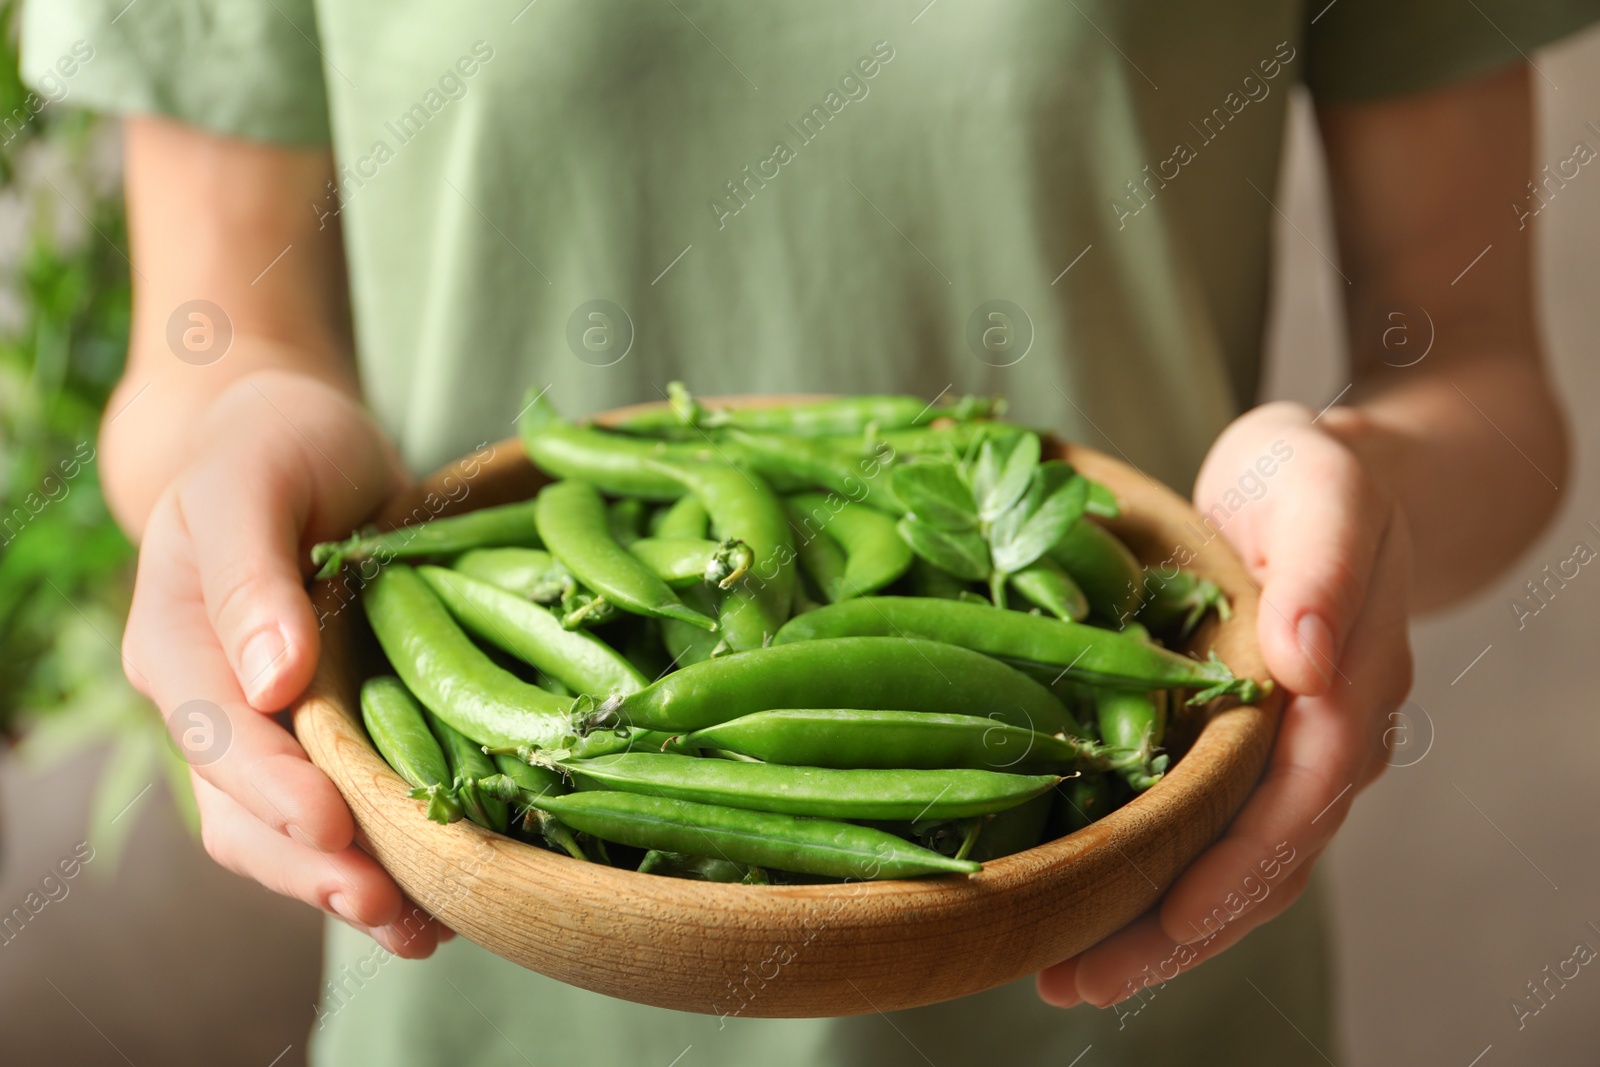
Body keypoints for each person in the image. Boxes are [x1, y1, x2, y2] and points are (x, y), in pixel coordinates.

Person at [23, 1, 1594, 1062]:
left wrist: (1346, 497)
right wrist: (237, 459)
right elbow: (209, 344)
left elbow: (1480, 384)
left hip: (1130, 959)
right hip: (493, 980)